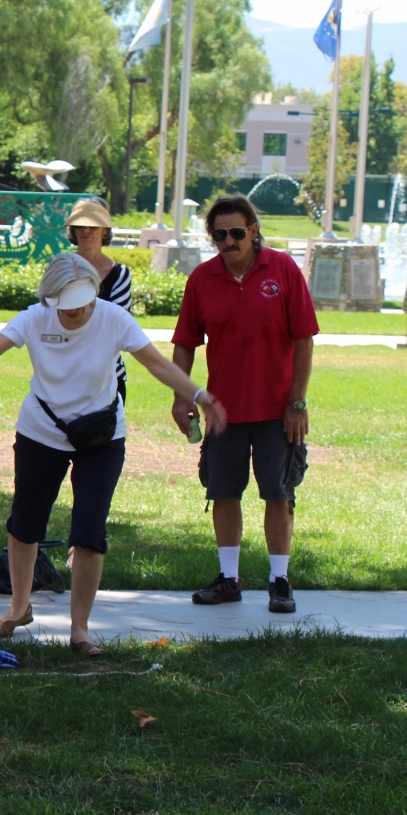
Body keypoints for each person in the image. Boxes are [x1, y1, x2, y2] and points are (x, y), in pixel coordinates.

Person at [0, 253, 225, 650]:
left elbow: (156, 364)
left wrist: (198, 394)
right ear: (50, 300)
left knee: (89, 532)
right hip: (42, 431)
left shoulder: (113, 318)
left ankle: (79, 629)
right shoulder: (34, 318)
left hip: (101, 436)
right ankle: (18, 609)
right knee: (25, 523)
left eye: (85, 306)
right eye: (68, 309)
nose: (78, 314)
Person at [170, 194, 318, 614]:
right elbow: (184, 344)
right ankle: (229, 579)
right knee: (223, 493)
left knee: (278, 494)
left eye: (237, 232)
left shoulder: (283, 269)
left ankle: (279, 581)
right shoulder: (202, 279)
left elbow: (304, 339)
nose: (229, 241)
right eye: (220, 234)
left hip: (277, 411)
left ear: (254, 230)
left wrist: (298, 403)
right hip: (222, 412)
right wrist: (183, 396)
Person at [66, 198, 132, 401]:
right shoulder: (60, 267)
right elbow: (48, 316)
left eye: (94, 225)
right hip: (63, 372)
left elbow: (118, 326)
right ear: (73, 230)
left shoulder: (120, 274)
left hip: (109, 375)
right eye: (81, 225)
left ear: (105, 229)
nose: (87, 230)